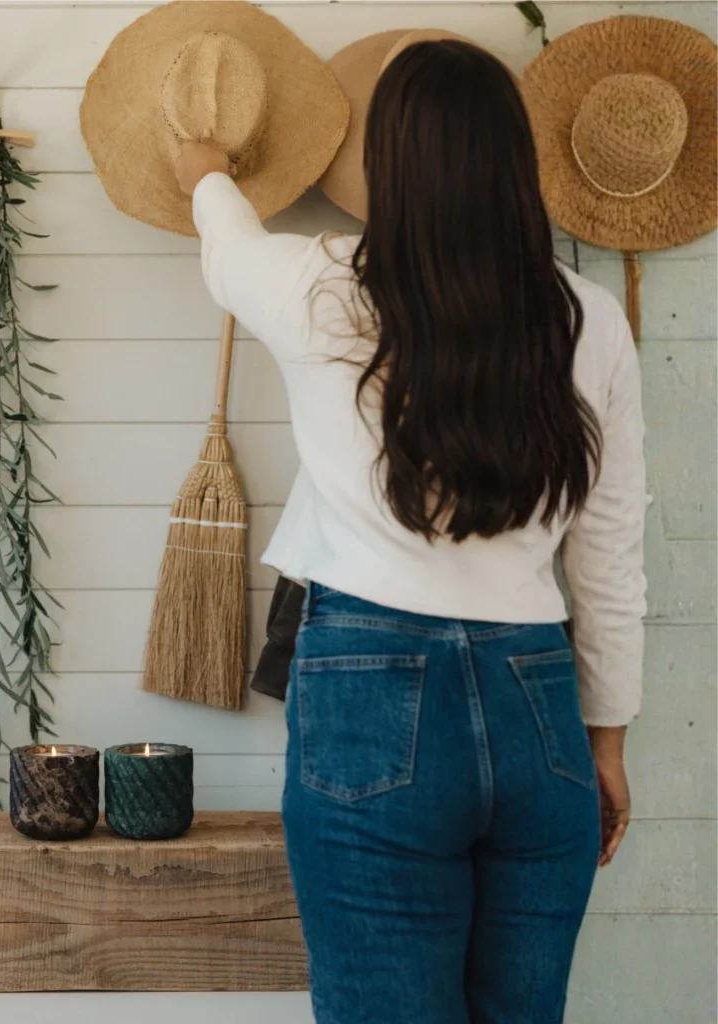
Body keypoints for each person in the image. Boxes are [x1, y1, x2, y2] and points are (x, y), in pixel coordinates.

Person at [174, 39, 646, 1024]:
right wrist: (603, 740)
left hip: (368, 690)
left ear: (388, 167)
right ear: (514, 165)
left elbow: (225, 250)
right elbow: (606, 554)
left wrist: (208, 173)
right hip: (537, 702)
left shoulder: (323, 288)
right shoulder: (589, 320)